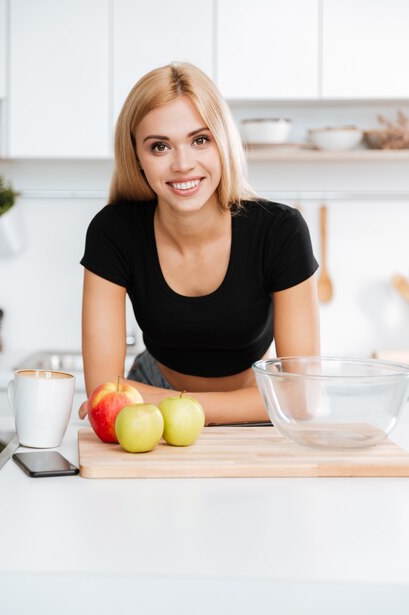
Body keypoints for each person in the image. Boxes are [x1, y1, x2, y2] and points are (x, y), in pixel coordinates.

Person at [79, 62, 320, 425]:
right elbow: (102, 389)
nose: (182, 164)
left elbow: (300, 397)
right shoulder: (113, 231)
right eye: (159, 146)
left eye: (200, 140)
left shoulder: (280, 231)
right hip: (166, 408)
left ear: (223, 142)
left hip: (247, 406)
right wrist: (141, 397)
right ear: (137, 158)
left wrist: (156, 400)